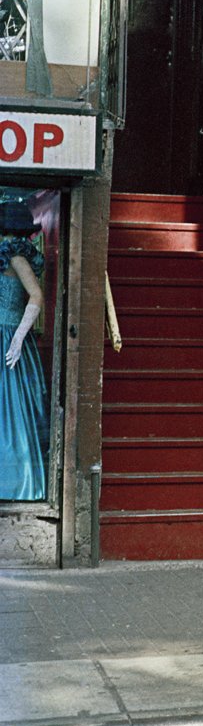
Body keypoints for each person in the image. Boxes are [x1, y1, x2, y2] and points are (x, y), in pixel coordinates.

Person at [0, 201, 46, 501]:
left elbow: (36, 296)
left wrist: (17, 338)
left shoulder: (14, 256)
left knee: (11, 410)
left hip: (8, 337)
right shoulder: (8, 255)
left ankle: (13, 481)